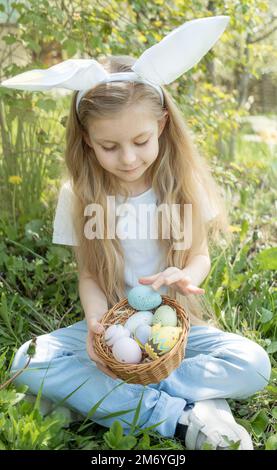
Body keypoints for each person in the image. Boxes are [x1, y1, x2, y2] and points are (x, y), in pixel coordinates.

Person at [3, 17, 271, 450]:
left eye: (141, 140)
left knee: (255, 363)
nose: (128, 158)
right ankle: (183, 418)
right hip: (114, 329)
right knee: (29, 359)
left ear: (163, 125)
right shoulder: (79, 195)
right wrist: (94, 325)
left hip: (175, 330)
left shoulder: (184, 185)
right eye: (110, 146)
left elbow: (199, 256)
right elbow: (90, 276)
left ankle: (109, 395)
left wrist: (186, 276)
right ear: (88, 141)